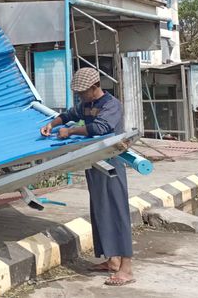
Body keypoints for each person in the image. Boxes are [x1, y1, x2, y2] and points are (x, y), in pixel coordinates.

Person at [39, 67, 135, 287]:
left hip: (112, 163)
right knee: (100, 210)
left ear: (95, 88)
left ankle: (126, 268)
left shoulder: (111, 105)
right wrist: (52, 124)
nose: (81, 97)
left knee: (117, 211)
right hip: (94, 163)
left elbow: (101, 127)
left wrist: (70, 132)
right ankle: (112, 261)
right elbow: (69, 115)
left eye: (83, 92)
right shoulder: (86, 105)